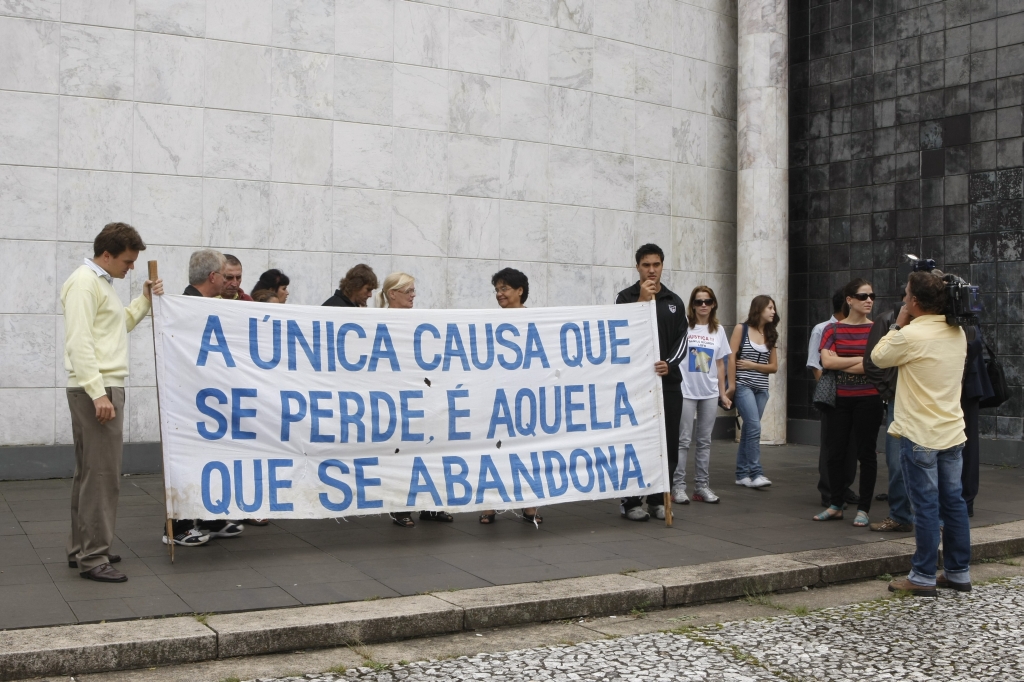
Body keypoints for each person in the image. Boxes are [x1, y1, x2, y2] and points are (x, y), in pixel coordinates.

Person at [61, 223, 163, 582]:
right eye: (127, 261)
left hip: (97, 386)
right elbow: (79, 342)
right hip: (98, 388)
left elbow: (117, 326)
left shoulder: (97, 284)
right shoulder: (85, 283)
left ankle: (83, 549)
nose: (131, 267)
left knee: (90, 474)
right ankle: (93, 556)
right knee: (102, 476)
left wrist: (144, 299)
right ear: (106, 254)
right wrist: (98, 391)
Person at [873, 272, 971, 596]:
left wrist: (898, 323)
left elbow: (878, 357)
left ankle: (923, 575)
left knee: (926, 505)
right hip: (952, 432)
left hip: (920, 435)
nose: (903, 300)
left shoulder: (911, 335)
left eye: (906, 295)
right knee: (953, 502)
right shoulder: (958, 333)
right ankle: (958, 572)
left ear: (915, 301)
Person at [163, 250, 244, 546]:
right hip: (189, 399)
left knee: (214, 458)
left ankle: (212, 517)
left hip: (212, 396)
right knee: (187, 458)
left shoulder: (217, 305)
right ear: (213, 277)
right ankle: (178, 526)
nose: (229, 281)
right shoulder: (183, 306)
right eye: (226, 276)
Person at [614, 244, 688, 521]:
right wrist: (642, 302)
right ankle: (631, 500)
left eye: (656, 264)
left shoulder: (673, 301)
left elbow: (683, 341)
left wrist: (669, 364)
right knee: (635, 441)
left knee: (667, 443)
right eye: (646, 265)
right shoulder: (625, 298)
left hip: (667, 384)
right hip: (635, 385)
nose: (652, 270)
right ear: (638, 267)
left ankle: (659, 498)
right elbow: (620, 333)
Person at [376, 272, 455, 527]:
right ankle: (401, 507)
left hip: (422, 395)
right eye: (408, 291)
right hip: (395, 396)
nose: (413, 295)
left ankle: (431, 506)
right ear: (393, 295)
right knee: (401, 453)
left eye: (413, 290)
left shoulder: (419, 321)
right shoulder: (378, 321)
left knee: (430, 449)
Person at [813, 279, 883, 527]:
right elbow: (827, 363)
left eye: (872, 296)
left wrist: (846, 359)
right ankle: (835, 504)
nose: (869, 300)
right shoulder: (831, 330)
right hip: (840, 399)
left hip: (869, 399)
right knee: (835, 452)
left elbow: (875, 365)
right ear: (849, 300)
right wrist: (861, 361)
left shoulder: (877, 329)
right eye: (863, 296)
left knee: (866, 454)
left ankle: (863, 509)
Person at [479, 268, 542, 525]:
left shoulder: (537, 320)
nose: (499, 294)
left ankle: (530, 505)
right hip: (496, 397)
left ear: (520, 291)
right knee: (494, 450)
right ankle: (490, 505)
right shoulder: (490, 319)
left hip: (526, 397)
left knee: (528, 450)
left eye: (504, 289)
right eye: (497, 290)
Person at [668, 286, 733, 504]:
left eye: (707, 301)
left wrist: (723, 394)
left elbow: (720, 363)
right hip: (686, 391)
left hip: (709, 392)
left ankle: (702, 486)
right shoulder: (684, 327)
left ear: (713, 304)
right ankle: (678, 486)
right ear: (692, 305)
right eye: (698, 301)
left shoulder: (718, 330)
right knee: (683, 440)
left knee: (705, 441)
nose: (703, 305)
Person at [863, 301, 914, 533]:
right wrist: (888, 391)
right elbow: (874, 360)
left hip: (929, 400)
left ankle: (930, 518)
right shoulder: (888, 319)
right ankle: (900, 514)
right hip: (899, 398)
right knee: (896, 459)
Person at [808, 289, 858, 507]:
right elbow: (815, 364)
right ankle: (828, 491)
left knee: (851, 445)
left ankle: (844, 486)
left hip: (853, 394)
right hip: (833, 395)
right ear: (846, 305)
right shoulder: (822, 329)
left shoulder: (855, 329)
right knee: (831, 445)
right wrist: (827, 393)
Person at [727, 295, 779, 489]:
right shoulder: (742, 329)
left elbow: (773, 367)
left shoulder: (771, 333)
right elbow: (731, 357)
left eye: (774, 308)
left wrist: (752, 364)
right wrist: (731, 386)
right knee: (754, 427)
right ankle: (756, 473)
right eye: (770, 308)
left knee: (749, 429)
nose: (773, 311)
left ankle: (741, 474)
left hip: (762, 389)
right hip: (743, 386)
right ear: (759, 309)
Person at [960, 326, 994, 517]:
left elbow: (973, 342)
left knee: (967, 444)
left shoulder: (964, 309)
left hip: (967, 386)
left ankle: (965, 501)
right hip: (955, 383)